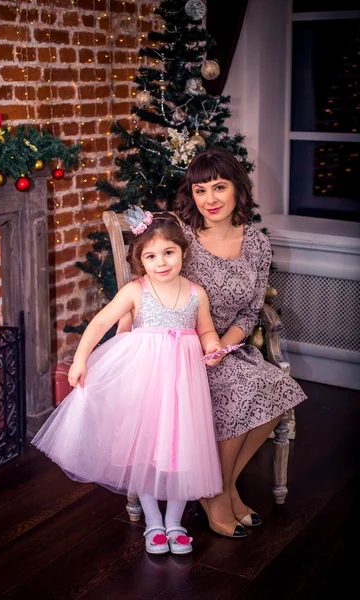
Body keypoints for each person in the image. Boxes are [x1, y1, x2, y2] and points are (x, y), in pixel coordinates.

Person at [31, 208, 243, 556]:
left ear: (183, 252)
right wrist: (81, 358)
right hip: (145, 381)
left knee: (180, 450)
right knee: (146, 450)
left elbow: (206, 330)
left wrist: (213, 347)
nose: (161, 262)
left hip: (183, 386)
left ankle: (175, 522)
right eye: (151, 256)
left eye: (168, 252)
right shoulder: (135, 291)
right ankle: (153, 522)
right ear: (140, 260)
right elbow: (99, 324)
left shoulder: (195, 293)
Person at [173, 146, 307, 536]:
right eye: (200, 190)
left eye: (219, 187)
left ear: (238, 190)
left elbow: (250, 312)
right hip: (182, 347)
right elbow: (154, 290)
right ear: (191, 195)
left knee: (280, 390)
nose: (210, 199)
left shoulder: (257, 243)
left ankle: (221, 486)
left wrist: (223, 347)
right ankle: (216, 495)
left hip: (227, 347)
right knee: (244, 389)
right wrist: (202, 347)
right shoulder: (181, 236)